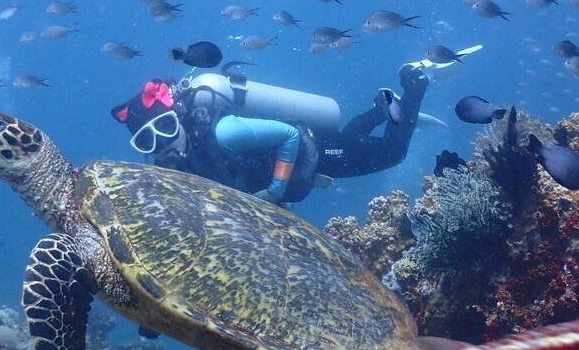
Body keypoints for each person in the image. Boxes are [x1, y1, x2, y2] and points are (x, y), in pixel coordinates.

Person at [111, 51, 474, 205]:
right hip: (308, 155)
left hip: (307, 148)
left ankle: (417, 81)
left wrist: (275, 190)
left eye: (164, 128)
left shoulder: (223, 133)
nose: (161, 143)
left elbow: (290, 137)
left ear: (177, 117)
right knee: (349, 140)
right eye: (147, 139)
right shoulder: (171, 164)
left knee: (392, 154)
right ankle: (384, 107)